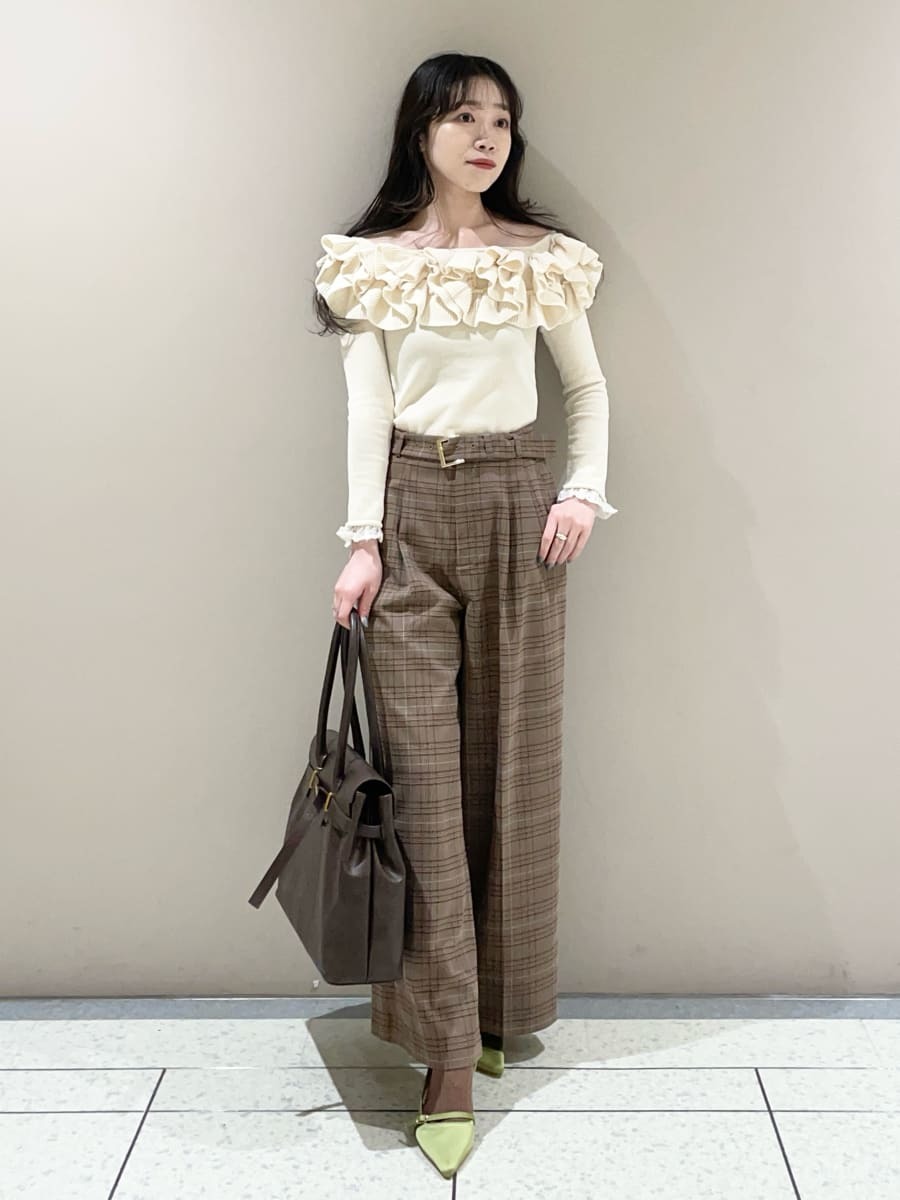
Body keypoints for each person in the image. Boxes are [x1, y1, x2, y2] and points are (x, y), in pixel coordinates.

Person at [311, 52, 618, 1178]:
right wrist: (362, 541)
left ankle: (495, 1010)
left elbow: (585, 385)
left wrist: (581, 491)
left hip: (519, 504)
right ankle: (444, 1056)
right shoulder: (373, 263)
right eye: (463, 117)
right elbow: (367, 405)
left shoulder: (540, 258)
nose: (486, 136)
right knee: (424, 791)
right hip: (410, 506)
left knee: (513, 772)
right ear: (422, 133)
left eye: (501, 119)